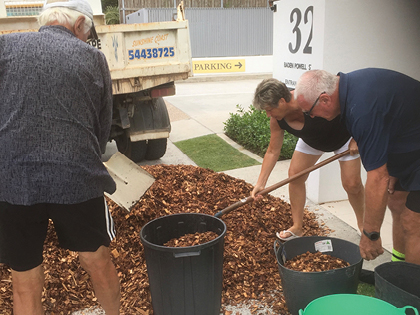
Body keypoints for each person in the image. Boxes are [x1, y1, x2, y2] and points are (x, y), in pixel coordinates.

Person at [0, 0, 120, 314]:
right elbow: (101, 127)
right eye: (87, 33)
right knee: (98, 262)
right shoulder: (93, 58)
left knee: (23, 280)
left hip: (13, 182)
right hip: (76, 178)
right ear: (80, 25)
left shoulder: (5, 46)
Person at [294, 68, 420, 264]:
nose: (312, 117)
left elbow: (378, 178)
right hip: (409, 145)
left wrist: (370, 234)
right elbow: (391, 119)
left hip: (416, 152)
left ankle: (411, 290)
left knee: (413, 223)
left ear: (325, 99)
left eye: (310, 112)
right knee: (396, 203)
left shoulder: (362, 109)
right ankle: (398, 268)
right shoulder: (350, 89)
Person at [251, 78, 365, 240]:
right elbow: (272, 151)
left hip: (343, 138)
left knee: (352, 184)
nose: (268, 114)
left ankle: (363, 226)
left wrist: (357, 137)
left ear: (282, 101)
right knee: (295, 177)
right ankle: (297, 227)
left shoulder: (308, 98)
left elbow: (351, 107)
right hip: (312, 140)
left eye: (269, 109)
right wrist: (260, 183)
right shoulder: (277, 120)